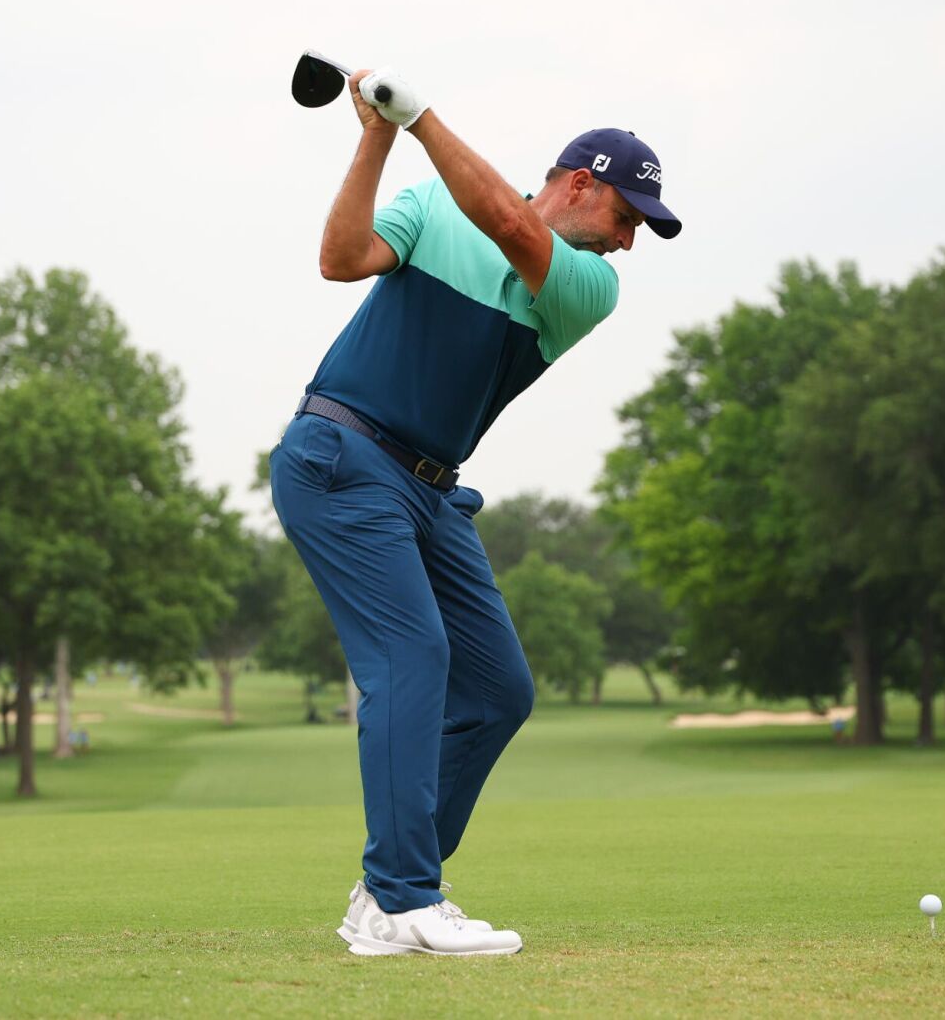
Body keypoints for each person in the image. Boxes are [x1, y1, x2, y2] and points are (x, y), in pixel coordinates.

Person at [270, 65, 682, 958]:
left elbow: (507, 221)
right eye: (626, 219)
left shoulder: (584, 286)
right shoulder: (429, 207)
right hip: (340, 456)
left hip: (427, 487)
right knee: (414, 654)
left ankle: (389, 888)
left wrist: (417, 115)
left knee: (498, 690)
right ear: (583, 184)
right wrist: (377, 135)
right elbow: (341, 259)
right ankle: (407, 897)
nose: (629, 243)